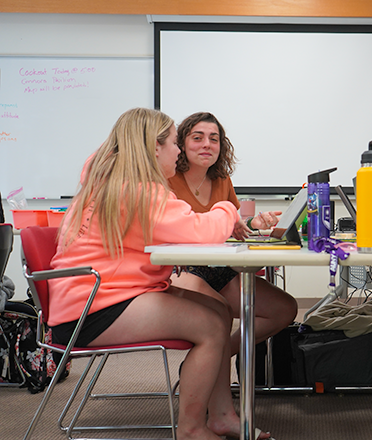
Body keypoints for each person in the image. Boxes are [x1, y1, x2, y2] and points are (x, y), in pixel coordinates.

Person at [48, 108, 272, 440]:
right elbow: (199, 230)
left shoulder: (111, 181)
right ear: (154, 147)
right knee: (211, 325)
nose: (179, 151)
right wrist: (228, 209)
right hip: (93, 310)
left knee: (219, 311)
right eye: (173, 143)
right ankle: (192, 429)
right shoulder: (139, 191)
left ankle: (222, 416)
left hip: (96, 299)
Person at [168, 112, 298, 355]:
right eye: (198, 137)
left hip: (220, 268)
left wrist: (254, 223)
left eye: (214, 139)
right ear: (181, 144)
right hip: (180, 268)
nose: (207, 144)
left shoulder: (221, 178)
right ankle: (210, 362)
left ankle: (215, 357)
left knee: (284, 308)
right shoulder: (167, 178)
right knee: (219, 313)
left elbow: (234, 225)